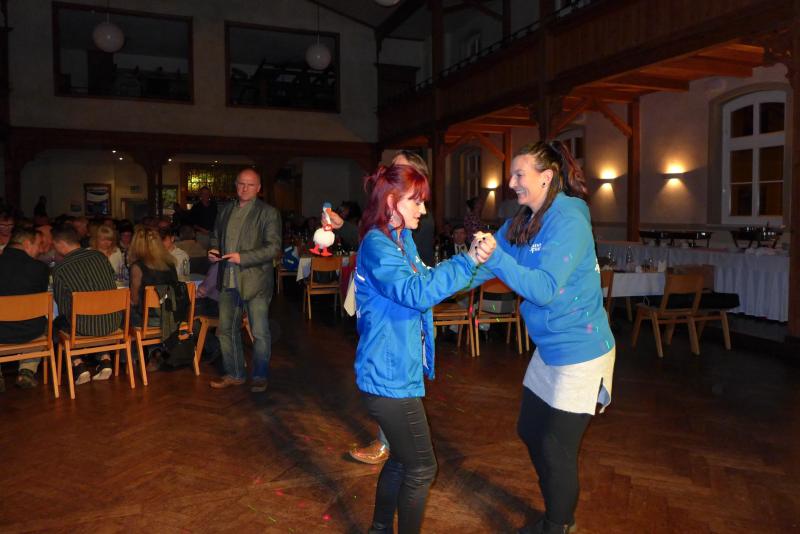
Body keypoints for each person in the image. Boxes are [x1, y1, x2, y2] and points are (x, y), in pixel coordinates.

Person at [470, 141, 615, 534]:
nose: (511, 182)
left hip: (581, 351)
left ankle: (557, 523)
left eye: (520, 174)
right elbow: (481, 265)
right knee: (530, 429)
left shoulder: (569, 218)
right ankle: (557, 510)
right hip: (550, 347)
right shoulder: (522, 220)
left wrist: (495, 256)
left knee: (555, 446)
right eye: (512, 174)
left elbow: (545, 288)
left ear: (546, 177)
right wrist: (429, 287)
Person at [354, 163, 494, 534]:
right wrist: (467, 260)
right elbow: (416, 293)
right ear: (391, 202)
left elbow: (431, 282)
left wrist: (484, 264)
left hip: (397, 372)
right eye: (416, 201)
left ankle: (379, 529)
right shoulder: (378, 244)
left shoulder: (401, 240)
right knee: (421, 467)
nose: (424, 209)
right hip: (387, 377)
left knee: (403, 461)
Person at [346, 150, 431, 465]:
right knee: (393, 388)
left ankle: (390, 444)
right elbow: (373, 239)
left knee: (414, 458)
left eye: (399, 171)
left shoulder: (412, 220)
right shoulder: (387, 229)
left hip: (400, 327)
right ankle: (391, 444)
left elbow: (418, 281)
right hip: (392, 330)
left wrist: (469, 265)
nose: (390, 177)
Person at [208, 168, 281, 392]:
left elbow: (273, 248)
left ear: (258, 188)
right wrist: (213, 249)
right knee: (226, 330)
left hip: (255, 282)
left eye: (250, 184)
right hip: (227, 279)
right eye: (241, 183)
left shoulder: (268, 213)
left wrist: (243, 257)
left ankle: (259, 375)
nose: (245, 188)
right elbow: (215, 236)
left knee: (259, 333)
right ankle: (235, 373)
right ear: (236, 185)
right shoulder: (225, 210)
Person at [52, 226, 121, 385]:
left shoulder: (60, 269)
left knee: (58, 323)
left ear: (61, 244)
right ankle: (105, 359)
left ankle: (78, 364)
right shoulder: (100, 257)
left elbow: (62, 306)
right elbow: (112, 282)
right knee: (92, 318)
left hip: (84, 327)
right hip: (112, 322)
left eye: (54, 245)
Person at [0, 228, 49, 391]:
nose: (40, 250)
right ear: (27, 244)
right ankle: (27, 369)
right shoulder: (40, 268)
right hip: (30, 332)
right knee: (45, 326)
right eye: (38, 245)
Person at [128, 228, 179, 328]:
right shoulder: (170, 263)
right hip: (172, 316)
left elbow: (134, 300)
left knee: (122, 309)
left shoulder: (137, 267)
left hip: (149, 319)